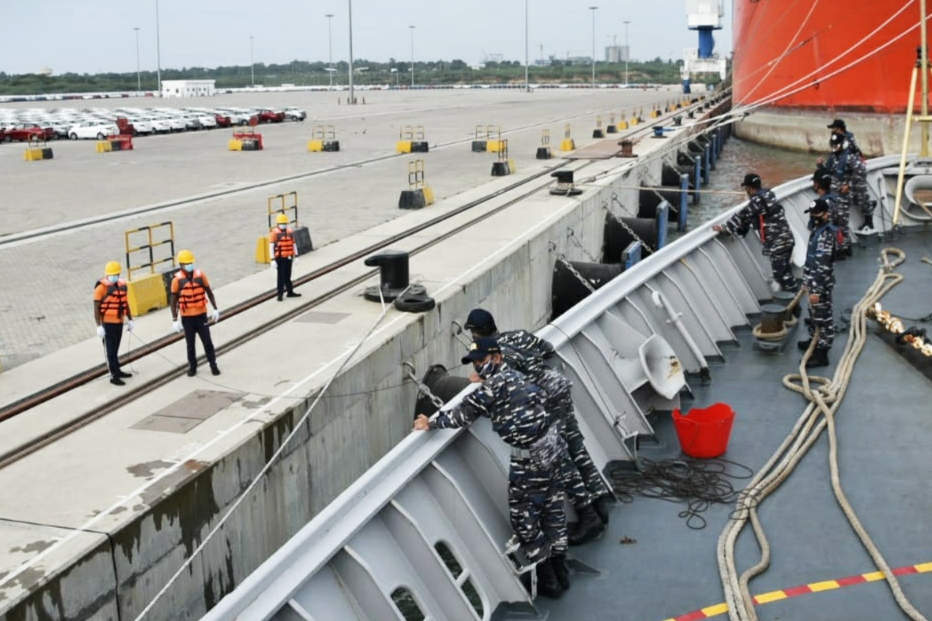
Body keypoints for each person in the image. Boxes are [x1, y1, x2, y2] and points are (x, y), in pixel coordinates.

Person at [414, 337, 569, 598]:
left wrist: (429, 422)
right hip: (552, 449)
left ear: (496, 357)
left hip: (529, 460)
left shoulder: (493, 387)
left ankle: (548, 580)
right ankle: (561, 571)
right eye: (475, 363)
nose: (478, 367)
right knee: (553, 510)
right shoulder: (515, 376)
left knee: (524, 520)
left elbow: (462, 414)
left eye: (483, 361)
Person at [464, 308, 610, 543]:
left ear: (475, 334)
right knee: (575, 446)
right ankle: (599, 502)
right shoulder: (518, 335)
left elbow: (504, 380)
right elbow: (548, 350)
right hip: (559, 390)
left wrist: (481, 378)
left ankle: (588, 516)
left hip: (544, 404)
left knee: (560, 460)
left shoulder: (498, 355)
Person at [713, 173, 798, 292]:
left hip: (778, 243)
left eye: (746, 188)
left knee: (781, 274)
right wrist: (741, 229)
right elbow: (751, 217)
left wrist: (725, 227)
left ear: (749, 188)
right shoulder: (769, 194)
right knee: (785, 271)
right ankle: (793, 299)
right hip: (787, 239)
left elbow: (743, 215)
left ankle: (793, 302)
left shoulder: (757, 200)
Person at [170, 249, 221, 377]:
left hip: (201, 315)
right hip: (187, 318)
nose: (189, 266)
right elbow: (173, 301)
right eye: (187, 264)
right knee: (190, 344)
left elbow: (209, 292)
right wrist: (174, 319)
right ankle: (192, 366)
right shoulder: (177, 280)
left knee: (207, 342)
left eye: (191, 263)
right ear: (181, 265)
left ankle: (213, 364)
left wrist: (215, 308)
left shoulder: (200, 275)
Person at [798, 198, 836, 368]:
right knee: (814, 315)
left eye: (817, 214)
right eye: (812, 214)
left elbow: (822, 265)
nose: (813, 217)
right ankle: (813, 340)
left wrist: (816, 291)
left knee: (823, 319)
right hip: (813, 281)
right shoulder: (818, 230)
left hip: (819, 284)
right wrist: (807, 281)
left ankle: (822, 354)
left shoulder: (826, 235)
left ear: (826, 214)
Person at [94, 261, 135, 386]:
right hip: (108, 323)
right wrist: (99, 326)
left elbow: (125, 303)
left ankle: (117, 370)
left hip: (119, 322)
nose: (114, 277)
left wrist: (130, 319)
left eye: (116, 274)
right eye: (112, 275)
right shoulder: (101, 288)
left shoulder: (122, 286)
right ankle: (114, 375)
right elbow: (96, 307)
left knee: (116, 348)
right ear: (107, 275)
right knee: (110, 350)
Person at [269, 213, 302, 302]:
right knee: (281, 276)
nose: (283, 225)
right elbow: (271, 246)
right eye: (281, 223)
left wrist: (296, 256)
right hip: (280, 258)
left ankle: (290, 291)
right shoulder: (274, 233)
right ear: (278, 224)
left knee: (288, 275)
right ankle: (280, 294)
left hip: (288, 257)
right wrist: (272, 260)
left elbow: (293, 244)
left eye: (284, 223)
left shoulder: (290, 231)